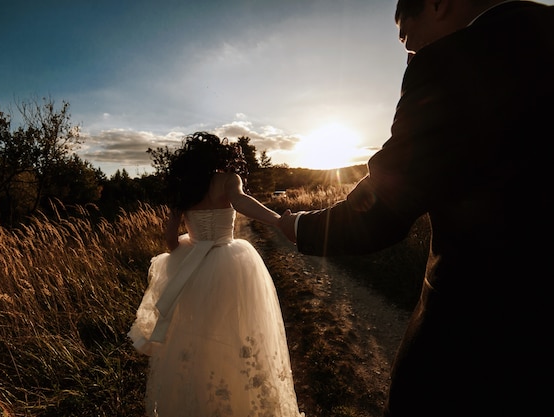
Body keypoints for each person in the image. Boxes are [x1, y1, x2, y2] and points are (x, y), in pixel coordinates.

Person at [278, 1, 554, 416]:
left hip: (480, 336)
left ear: (439, 4)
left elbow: (382, 210)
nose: (409, 52)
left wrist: (300, 226)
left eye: (407, 39)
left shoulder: (451, 62)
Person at [128, 132, 304, 417]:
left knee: (195, 335)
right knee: (236, 330)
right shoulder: (227, 179)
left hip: (191, 268)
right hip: (230, 263)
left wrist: (190, 245)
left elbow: (171, 240)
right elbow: (243, 202)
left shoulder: (183, 189)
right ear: (219, 156)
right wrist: (279, 221)